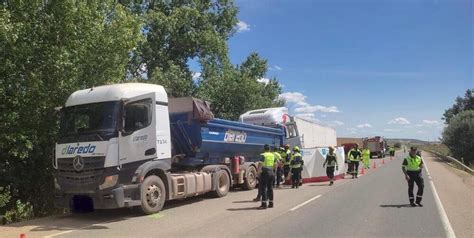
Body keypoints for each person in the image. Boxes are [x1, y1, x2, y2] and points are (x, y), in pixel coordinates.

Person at [258, 144, 277, 209]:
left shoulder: (263, 155)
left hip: (265, 173)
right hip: (271, 172)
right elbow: (275, 164)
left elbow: (260, 164)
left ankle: (264, 204)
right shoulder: (273, 155)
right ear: (269, 149)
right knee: (270, 188)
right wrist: (274, 171)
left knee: (264, 188)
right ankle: (271, 203)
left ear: (264, 149)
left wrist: (258, 172)